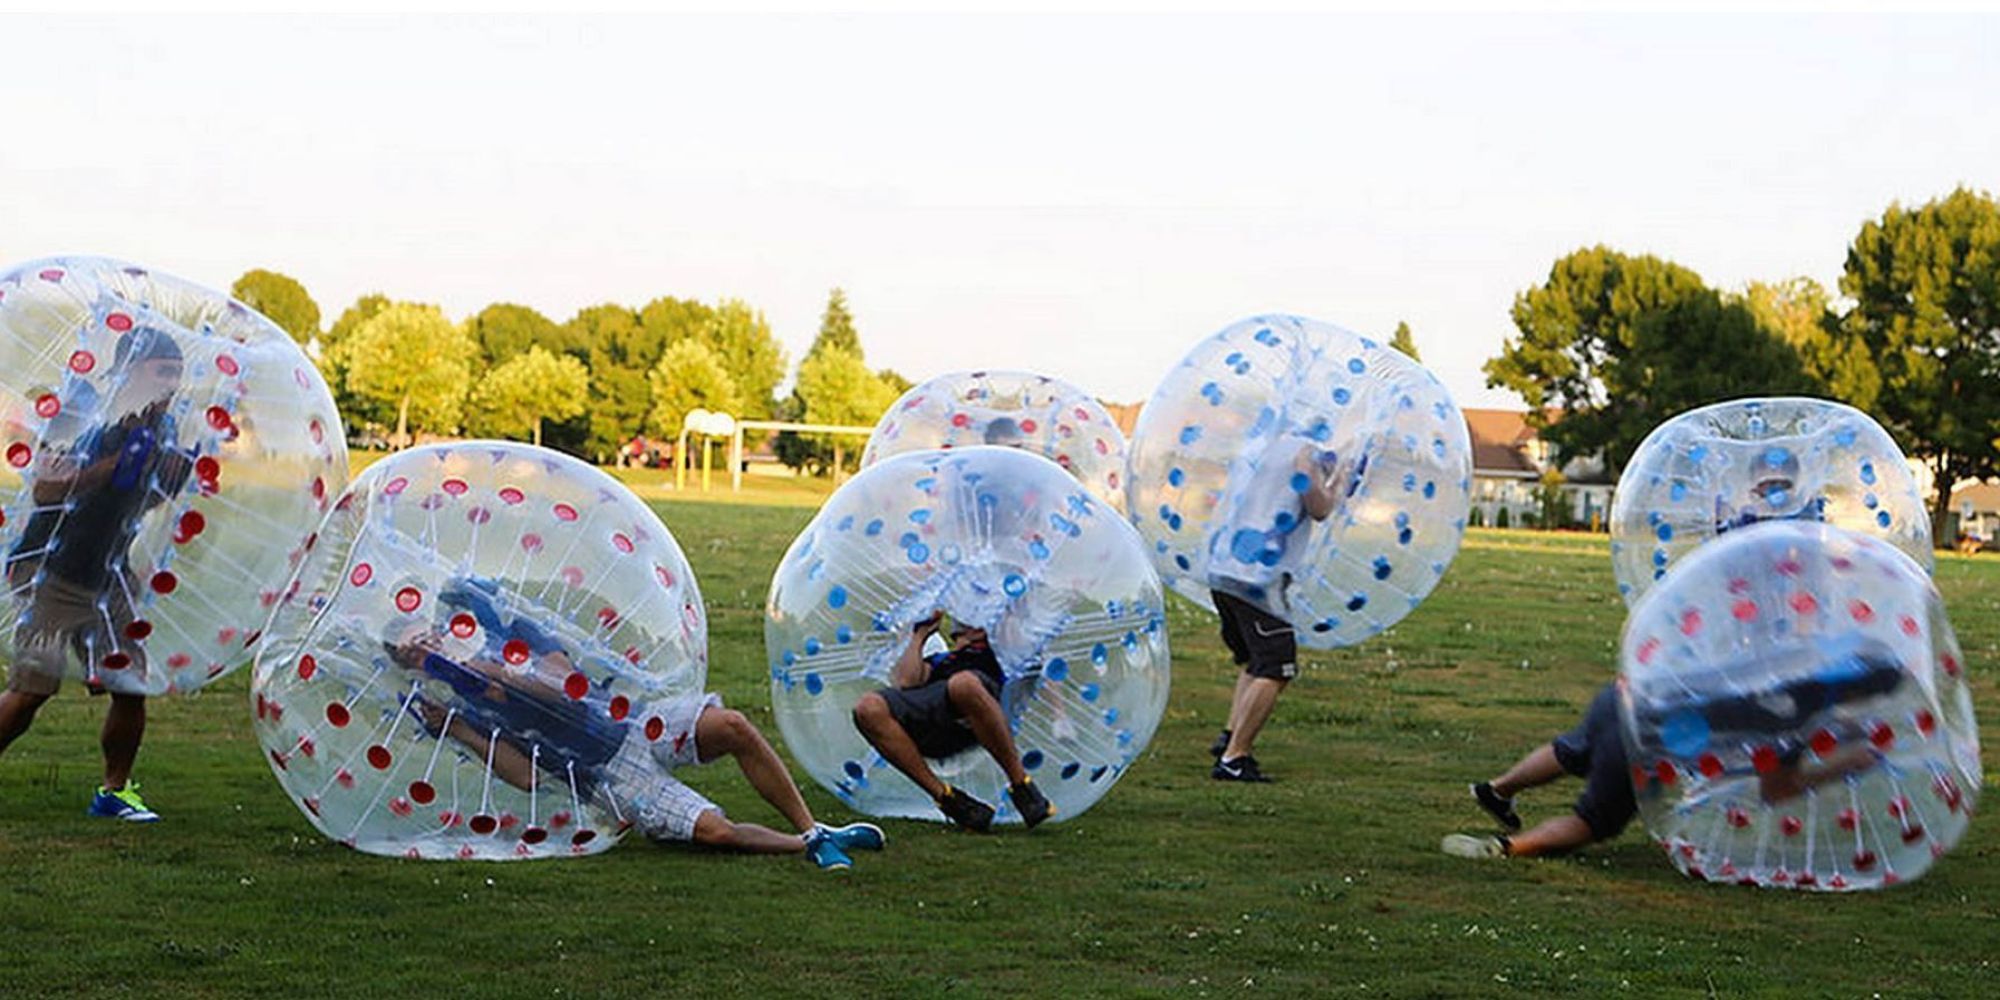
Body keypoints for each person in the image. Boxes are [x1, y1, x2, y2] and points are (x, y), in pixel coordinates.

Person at [387, 619, 883, 871]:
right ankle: (811, 843)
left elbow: (565, 689)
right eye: (416, 653)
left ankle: (811, 824)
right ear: (411, 667)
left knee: (732, 725)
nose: (429, 650)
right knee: (715, 832)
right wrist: (458, 729)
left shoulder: (511, 637)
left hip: (634, 724)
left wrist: (487, 669)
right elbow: (527, 777)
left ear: (445, 629)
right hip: (609, 779)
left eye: (429, 638)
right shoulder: (458, 712)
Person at [0, 325, 193, 822]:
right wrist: (114, 464)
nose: (174, 382)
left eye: (178, 372)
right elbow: (46, 492)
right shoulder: (86, 418)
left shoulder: (164, 429)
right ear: (131, 370)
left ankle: (114, 792)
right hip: (53, 575)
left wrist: (171, 476)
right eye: (164, 370)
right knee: (29, 694)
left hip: (111, 581)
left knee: (130, 685)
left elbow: (142, 503)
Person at [1444, 667, 1892, 861]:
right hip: (1645, 743)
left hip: (1625, 698)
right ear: (1855, 696)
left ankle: (1498, 789)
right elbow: (1776, 789)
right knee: (1594, 822)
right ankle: (1507, 848)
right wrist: (1845, 765)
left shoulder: (1782, 661)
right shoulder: (1796, 722)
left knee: (1574, 750)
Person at [1206, 436, 1351, 782]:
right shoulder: (1305, 450)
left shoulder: (1257, 442)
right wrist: (1340, 480)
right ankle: (1234, 758)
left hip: (1225, 567)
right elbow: (1318, 507)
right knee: (1276, 667)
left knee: (1255, 661)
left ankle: (1230, 735)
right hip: (1259, 577)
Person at [851, 610, 1053, 831]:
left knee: (963, 684)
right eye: (968, 623)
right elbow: (906, 682)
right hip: (939, 718)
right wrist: (919, 636)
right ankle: (949, 800)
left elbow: (1028, 642)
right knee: (867, 708)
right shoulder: (942, 662)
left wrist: (1003, 619)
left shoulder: (1008, 655)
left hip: (989, 705)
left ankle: (1022, 786)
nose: (974, 628)